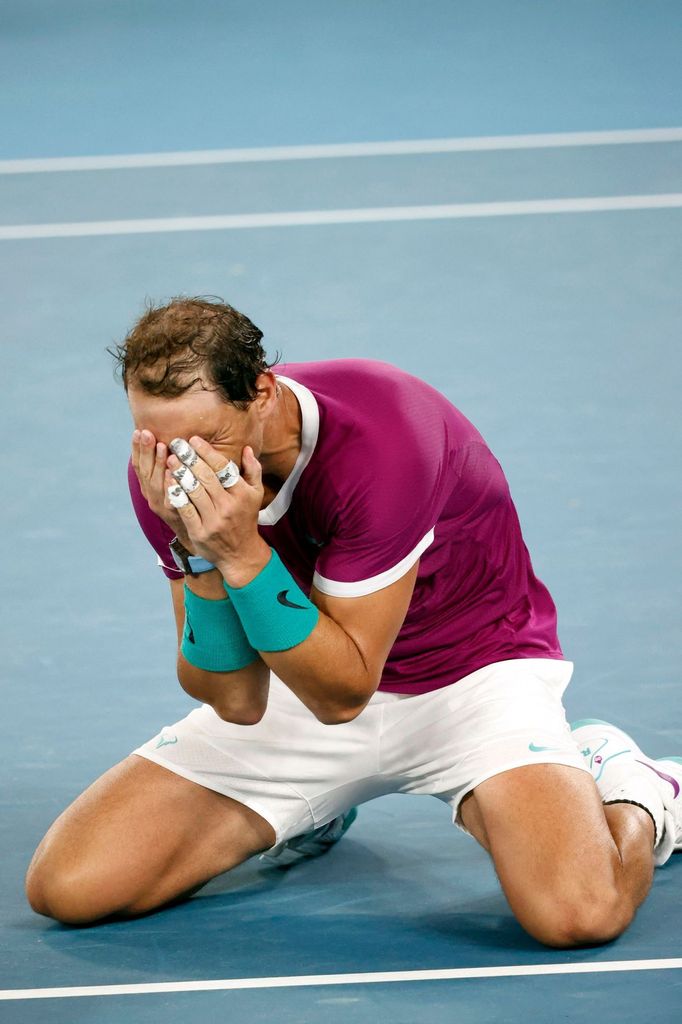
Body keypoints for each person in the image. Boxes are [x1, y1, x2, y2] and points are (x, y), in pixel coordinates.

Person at [25, 297, 681, 947]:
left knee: (579, 912)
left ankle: (633, 784)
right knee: (69, 886)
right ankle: (312, 810)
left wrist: (243, 555)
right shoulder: (170, 476)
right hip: (304, 669)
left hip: (470, 679)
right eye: (163, 441)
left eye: (208, 438)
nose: (188, 466)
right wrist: (197, 556)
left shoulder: (385, 436)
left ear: (261, 391)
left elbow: (343, 694)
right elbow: (236, 698)